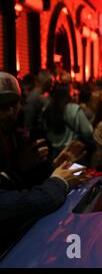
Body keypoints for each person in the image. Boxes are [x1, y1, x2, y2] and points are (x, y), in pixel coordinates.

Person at [0, 72, 88, 255]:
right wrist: (59, 181)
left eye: (13, 104)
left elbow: (32, 179)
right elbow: (14, 204)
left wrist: (57, 167)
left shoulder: (16, 137)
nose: (10, 112)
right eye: (2, 107)